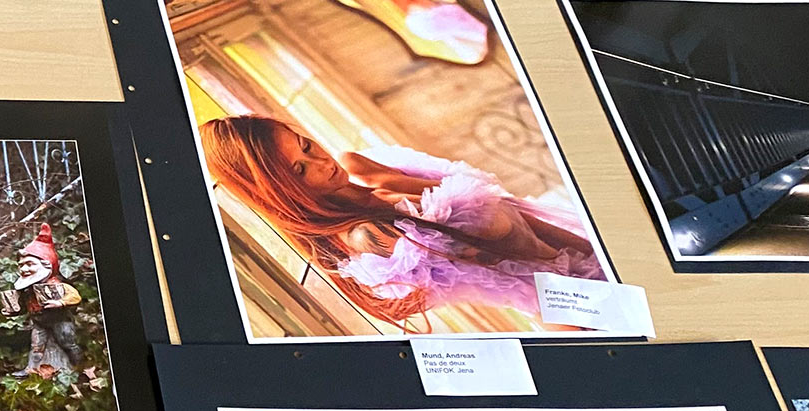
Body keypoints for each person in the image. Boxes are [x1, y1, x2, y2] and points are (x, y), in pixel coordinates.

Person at [198, 114, 606, 329]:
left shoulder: (362, 168)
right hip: (576, 314)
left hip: (588, 262)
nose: (321, 163)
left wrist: (602, 255)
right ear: (281, 192)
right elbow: (490, 268)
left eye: (306, 145)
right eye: (300, 170)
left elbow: (512, 212)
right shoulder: (370, 238)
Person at [5, 223, 83, 373]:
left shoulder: (57, 286)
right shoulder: (28, 290)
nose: (24, 269)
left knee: (68, 343)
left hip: (60, 321)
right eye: (21, 265)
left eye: (29, 264)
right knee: (36, 347)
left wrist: (60, 302)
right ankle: (31, 369)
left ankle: (79, 366)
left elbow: (75, 296)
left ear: (47, 265)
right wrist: (13, 311)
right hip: (39, 323)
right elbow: (24, 306)